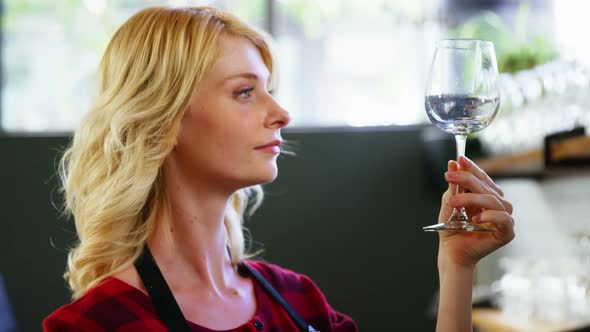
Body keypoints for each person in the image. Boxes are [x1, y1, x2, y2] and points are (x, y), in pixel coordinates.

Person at [43, 6, 514, 332]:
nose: (281, 113)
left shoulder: (296, 300)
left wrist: (456, 270)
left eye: (269, 88)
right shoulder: (95, 323)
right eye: (245, 92)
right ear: (165, 121)